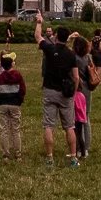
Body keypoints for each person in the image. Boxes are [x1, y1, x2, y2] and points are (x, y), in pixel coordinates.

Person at [35, 14, 80, 167]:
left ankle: (50, 158)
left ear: (56, 37)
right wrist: (73, 93)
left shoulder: (49, 48)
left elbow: (37, 36)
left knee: (49, 126)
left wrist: (39, 22)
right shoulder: (71, 54)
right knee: (69, 127)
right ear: (67, 38)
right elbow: (76, 77)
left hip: (49, 91)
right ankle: (73, 158)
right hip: (66, 93)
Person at [0, 53, 25, 161]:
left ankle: (6, 155)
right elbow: (22, 90)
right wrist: (19, 101)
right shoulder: (18, 75)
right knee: (15, 129)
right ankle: (18, 155)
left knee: (4, 129)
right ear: (12, 64)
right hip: (15, 104)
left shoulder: (0, 77)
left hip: (3, 104)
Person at [73, 34, 97, 157]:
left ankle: (79, 147)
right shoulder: (87, 58)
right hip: (87, 90)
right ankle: (86, 147)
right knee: (86, 118)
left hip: (78, 91)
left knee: (77, 121)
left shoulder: (74, 58)